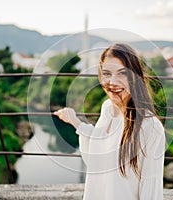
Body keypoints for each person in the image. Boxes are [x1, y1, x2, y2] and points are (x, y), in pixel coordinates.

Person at [54, 43, 165, 200]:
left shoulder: (150, 127)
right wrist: (75, 122)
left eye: (122, 74)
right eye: (107, 73)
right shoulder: (107, 108)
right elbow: (97, 149)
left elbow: (151, 191)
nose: (112, 82)